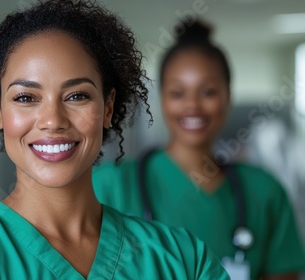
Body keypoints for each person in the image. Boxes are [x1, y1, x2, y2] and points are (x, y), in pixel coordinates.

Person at [0, 1, 229, 279]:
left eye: (76, 95)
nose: (52, 120)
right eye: (25, 98)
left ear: (108, 108)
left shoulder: (183, 259)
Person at [93, 20, 305, 279]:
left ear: (228, 96)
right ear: (162, 99)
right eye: (178, 93)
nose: (192, 105)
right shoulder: (109, 185)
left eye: (208, 92)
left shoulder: (264, 192)